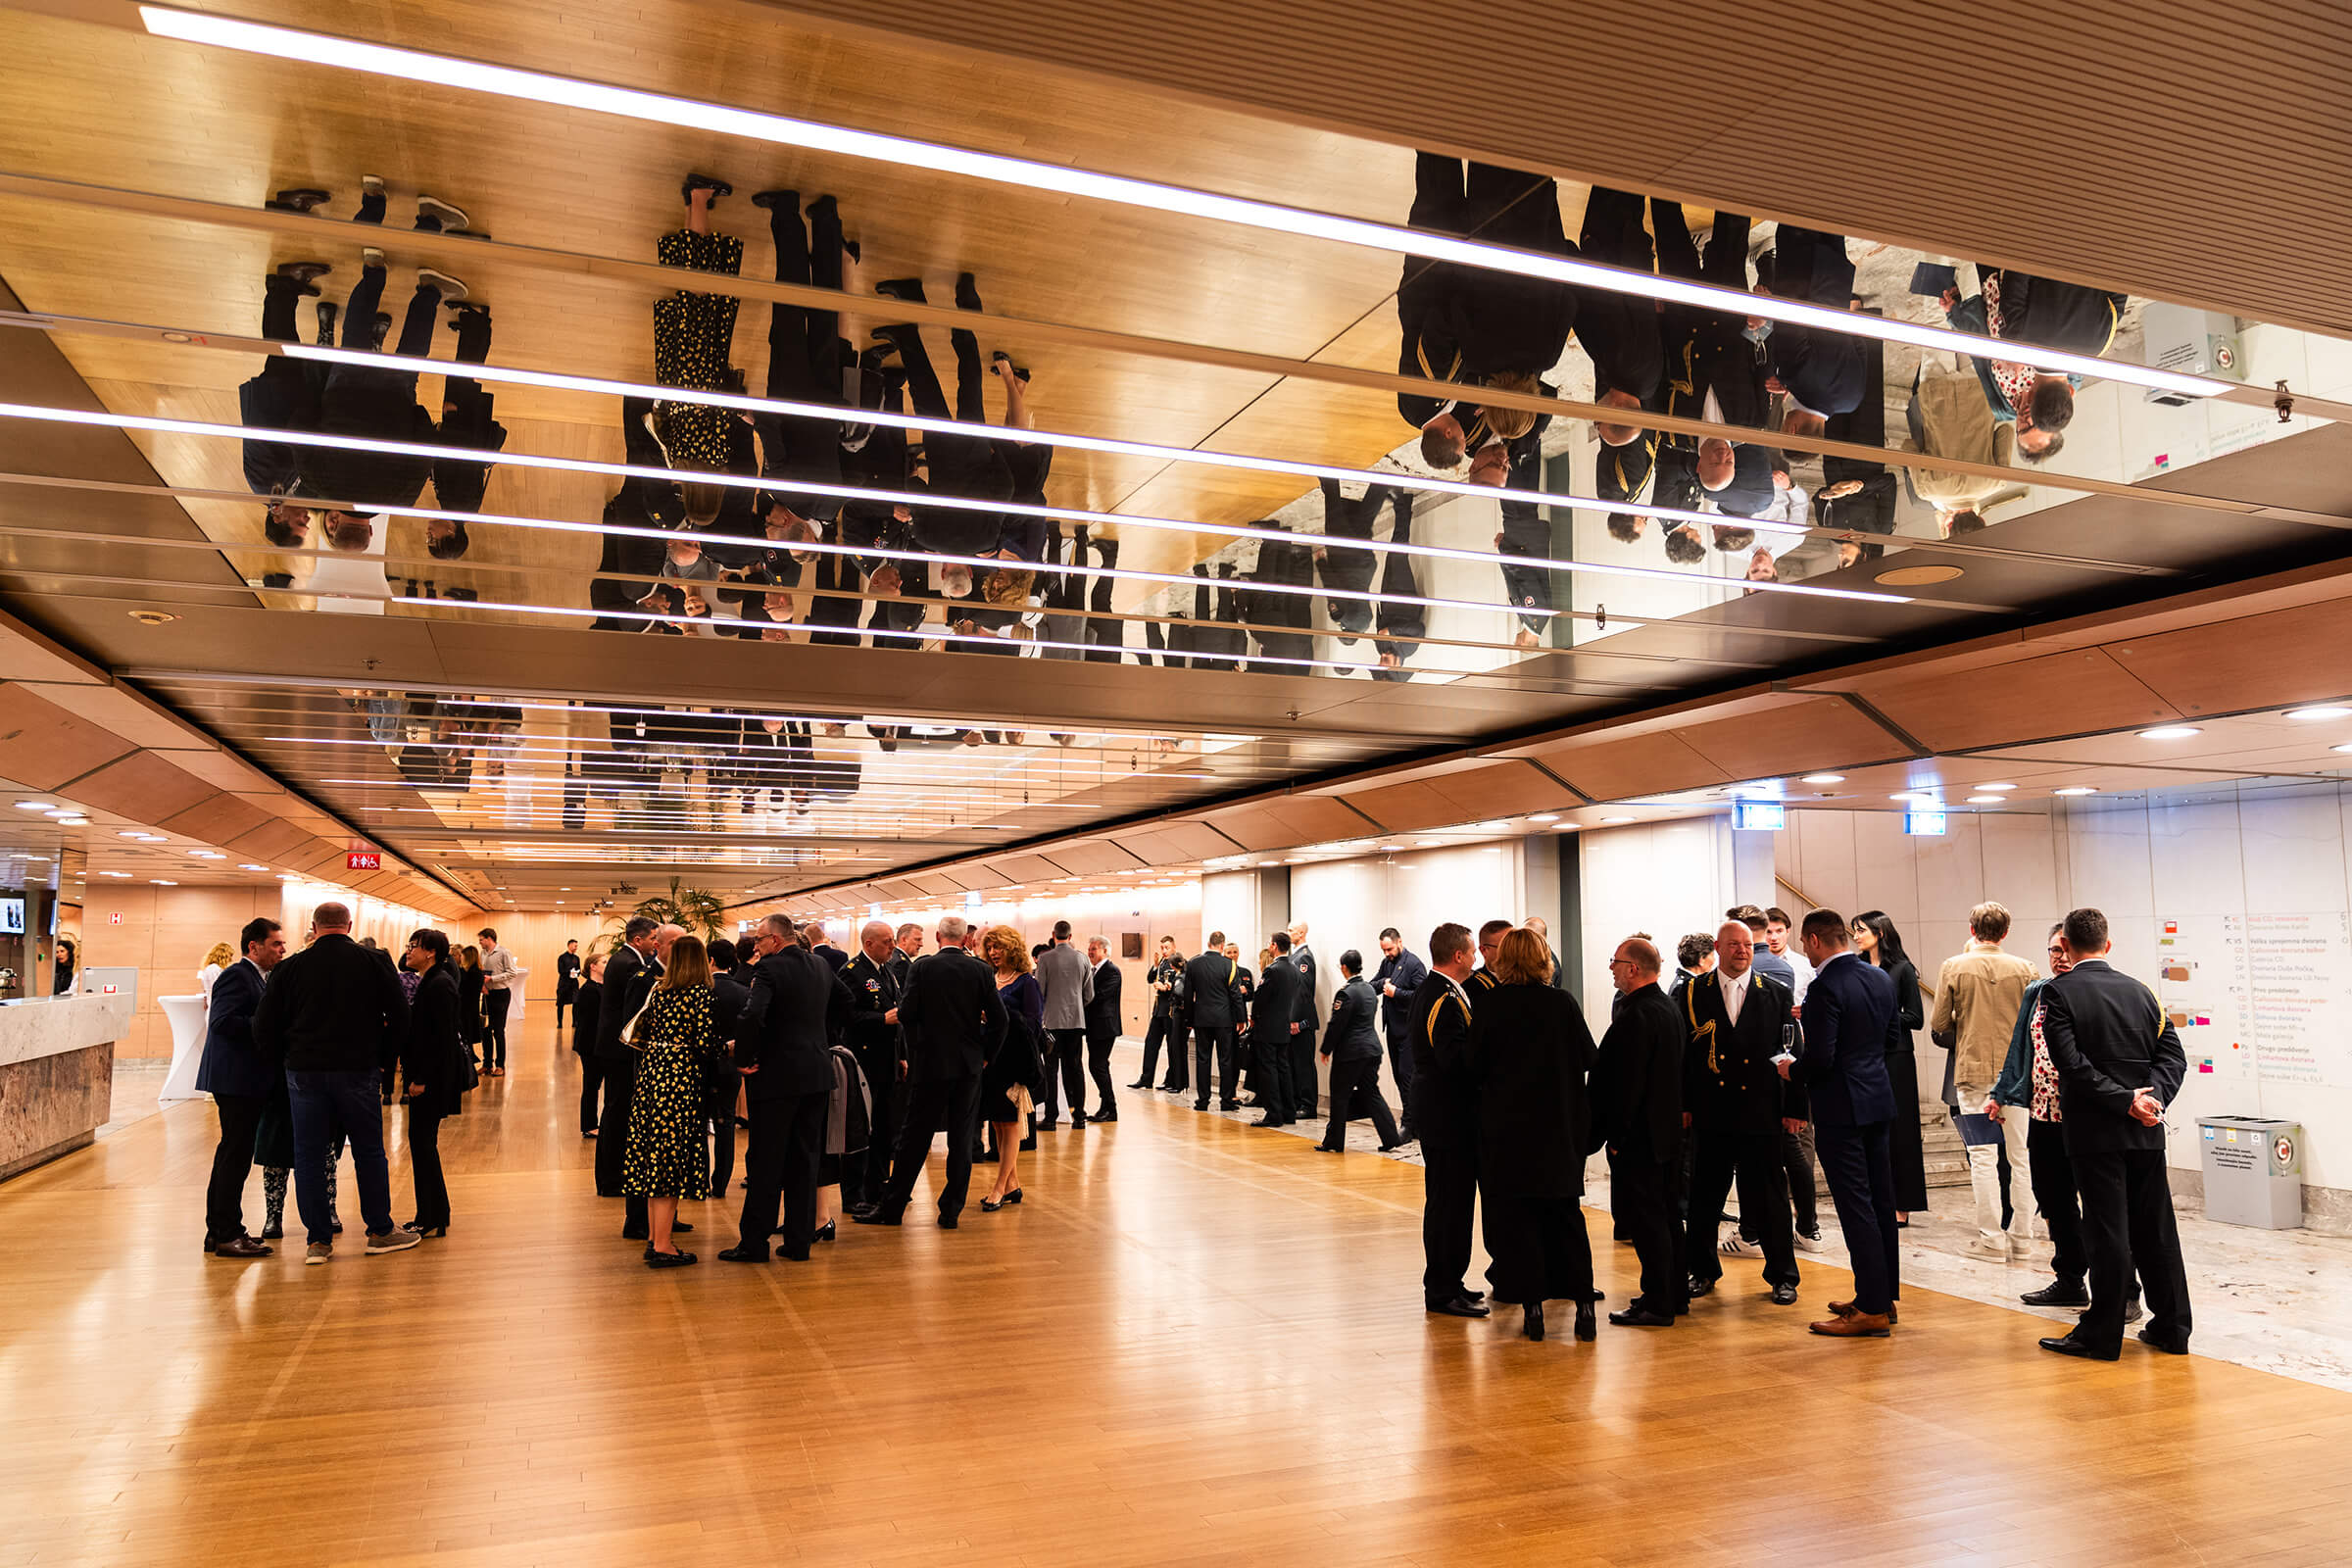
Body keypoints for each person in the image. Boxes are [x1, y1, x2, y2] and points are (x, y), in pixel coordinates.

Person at [2034, 908, 2191, 1361]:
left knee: (2106, 1231)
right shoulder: (2142, 992)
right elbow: (2173, 1057)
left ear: (2064, 943)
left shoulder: (2057, 994)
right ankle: (2172, 1326)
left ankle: (2100, 1335)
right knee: (2156, 1230)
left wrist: (2126, 1101)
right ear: (2108, 943)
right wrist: (2150, 1100)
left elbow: (2071, 1065)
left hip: (2094, 1132)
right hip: (2145, 1131)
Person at [250, 902, 419, 1265]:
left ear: (314, 926)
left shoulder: (290, 966)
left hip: (305, 1072)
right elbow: (402, 1015)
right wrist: (384, 1060)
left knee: (308, 1155)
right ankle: (379, 1231)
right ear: (350, 924)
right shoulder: (374, 962)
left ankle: (318, 1242)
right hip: (358, 1070)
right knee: (368, 1151)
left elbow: (263, 1026)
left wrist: (287, 1060)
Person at [1468, 929, 1597, 1343]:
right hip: (1559, 1130)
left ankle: (1533, 1310)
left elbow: (1472, 1066)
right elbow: (1588, 1057)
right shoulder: (1562, 1004)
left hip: (1509, 1134)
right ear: (1544, 960)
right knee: (1566, 1218)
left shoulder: (1491, 1006)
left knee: (1520, 1222)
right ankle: (1583, 1307)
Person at [1786, 910, 1900, 1337]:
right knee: (1880, 1203)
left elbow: (1820, 1059)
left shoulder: (1824, 987)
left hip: (1841, 1108)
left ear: (1814, 941)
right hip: (1877, 1099)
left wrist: (1790, 1071)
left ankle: (1870, 1308)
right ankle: (1882, 1297)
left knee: (1856, 1208)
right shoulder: (1879, 977)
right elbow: (1891, 1039)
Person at [1681, 921, 1805, 1308]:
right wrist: (1682, 1105)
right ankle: (1701, 1270)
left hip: (1761, 1112)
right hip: (1711, 1113)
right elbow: (1681, 1056)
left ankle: (1783, 1276)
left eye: (1747, 945)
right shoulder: (1690, 993)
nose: (1742, 950)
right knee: (1705, 1197)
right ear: (1717, 947)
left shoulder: (1776, 994)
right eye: (1733, 944)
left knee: (1769, 1197)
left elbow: (1793, 1052)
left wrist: (1794, 1109)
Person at [859, 915, 1007, 1228]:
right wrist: (984, 1056)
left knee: (914, 1137)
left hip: (930, 1066)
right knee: (961, 1138)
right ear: (965, 939)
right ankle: (951, 1210)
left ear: (939, 937)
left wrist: (916, 1049)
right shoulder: (980, 970)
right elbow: (1000, 1020)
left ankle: (892, 1208)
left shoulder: (923, 967)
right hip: (967, 1067)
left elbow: (908, 1014)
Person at [720, 915, 852, 1263]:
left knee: (766, 1160)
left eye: (759, 941)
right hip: (816, 1074)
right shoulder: (821, 965)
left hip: (776, 1076)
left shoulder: (769, 969)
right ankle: (798, 1241)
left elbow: (752, 1015)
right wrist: (820, 1036)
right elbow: (846, 1001)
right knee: (805, 1159)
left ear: (776, 940)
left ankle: (754, 1243)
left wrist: (744, 1058)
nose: (756, 947)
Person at [1933, 902, 2042, 1260]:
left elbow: (1939, 1025)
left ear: (1971, 928)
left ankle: (1991, 1240)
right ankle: (2023, 1239)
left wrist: (1965, 1019)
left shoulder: (1953, 966)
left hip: (1973, 1074)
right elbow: (2035, 1025)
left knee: (1982, 1156)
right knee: (2020, 1156)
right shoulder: (2026, 968)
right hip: (2018, 1077)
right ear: (2005, 932)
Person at [1593, 938, 1686, 1327]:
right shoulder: (1667, 1008)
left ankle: (1657, 1302)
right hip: (1665, 1134)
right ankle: (1673, 1293)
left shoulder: (1636, 1015)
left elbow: (1626, 1084)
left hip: (1640, 1137)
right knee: (1666, 1219)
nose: (1611, 968)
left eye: (1616, 962)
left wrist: (1616, 1137)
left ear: (1634, 968)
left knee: (1648, 1222)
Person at [1942, 269, 2128, 459]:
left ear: (2070, 392)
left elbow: (2121, 282)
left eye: (2022, 429)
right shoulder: (2017, 340)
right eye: (2031, 424)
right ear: (2030, 394)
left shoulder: (2100, 344)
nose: (2025, 420)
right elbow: (2017, 269)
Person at [623, 934, 718, 1268]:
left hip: (652, 1076)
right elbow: (705, 1043)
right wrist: (729, 1047)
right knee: (670, 1160)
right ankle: (663, 1245)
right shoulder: (700, 994)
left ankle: (655, 1237)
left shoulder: (659, 991)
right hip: (679, 1080)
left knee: (654, 1156)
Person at [195, 917, 287, 1257]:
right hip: (236, 1081)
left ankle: (220, 1230)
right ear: (255, 946)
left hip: (244, 1080)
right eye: (276, 944)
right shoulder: (237, 974)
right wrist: (266, 1025)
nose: (282, 949)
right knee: (234, 1156)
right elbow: (221, 1022)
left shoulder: (257, 978)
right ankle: (226, 1232)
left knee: (232, 1154)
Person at [1410, 923, 1485, 1318]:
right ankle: (1441, 1288)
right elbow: (1452, 1060)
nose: (1476, 958)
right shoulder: (1441, 996)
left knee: (1454, 1202)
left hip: (1447, 1112)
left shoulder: (1445, 991)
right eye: (1472, 952)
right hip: (1447, 1113)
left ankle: (1451, 1280)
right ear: (1458, 955)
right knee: (1448, 1204)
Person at [1852, 911, 1928, 1223]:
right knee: (1866, 1129)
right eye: (1854, 931)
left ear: (1879, 933)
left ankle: (1902, 1204)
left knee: (1900, 1131)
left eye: (1861, 930)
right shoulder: (1856, 966)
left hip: (1895, 1057)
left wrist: (1880, 1014)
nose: (1856, 936)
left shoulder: (1902, 969)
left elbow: (1916, 1018)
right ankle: (1872, 1199)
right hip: (1862, 1055)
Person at [596, 917, 664, 1239]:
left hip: (614, 1048)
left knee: (616, 1110)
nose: (656, 943)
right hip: (619, 1051)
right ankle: (611, 1180)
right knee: (618, 1111)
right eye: (653, 938)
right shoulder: (629, 965)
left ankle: (612, 1178)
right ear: (638, 940)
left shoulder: (626, 960)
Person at [398, 928, 466, 1239]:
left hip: (431, 1081)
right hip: (431, 1077)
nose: (408, 951)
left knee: (423, 1146)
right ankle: (436, 1213)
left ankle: (430, 1216)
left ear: (430, 953)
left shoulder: (438, 985)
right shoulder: (434, 980)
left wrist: (420, 1080)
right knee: (424, 1146)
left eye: (414, 946)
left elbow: (438, 1040)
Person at [979, 926, 1045, 1213]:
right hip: (990, 1059)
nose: (993, 953)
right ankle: (1013, 1184)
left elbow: (1032, 1024)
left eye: (999, 947)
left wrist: (997, 1016)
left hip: (1013, 1060)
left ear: (1012, 949)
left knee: (1010, 1124)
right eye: (990, 947)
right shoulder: (989, 979)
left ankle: (999, 1187)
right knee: (997, 1123)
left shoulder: (1026, 982)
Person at [841, 921, 904, 1214]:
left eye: (892, 941)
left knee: (883, 1129)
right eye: (887, 941)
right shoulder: (852, 973)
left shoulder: (886, 971)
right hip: (864, 1063)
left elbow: (897, 1013)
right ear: (869, 944)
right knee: (860, 1131)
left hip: (887, 1062)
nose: (892, 946)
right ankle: (854, 1194)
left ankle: (877, 1187)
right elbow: (846, 1017)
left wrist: (901, 1055)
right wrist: (881, 1021)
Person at [1316, 949, 1405, 1153]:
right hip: (1372, 1049)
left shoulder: (1346, 993)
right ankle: (1390, 1137)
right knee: (1372, 1093)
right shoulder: (1369, 990)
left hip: (1350, 1053)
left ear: (1345, 968)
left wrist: (1326, 1049)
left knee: (1339, 1096)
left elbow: (1337, 1024)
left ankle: (1334, 1141)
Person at [1036, 920, 1094, 1129]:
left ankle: (1051, 1117)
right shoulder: (1082, 958)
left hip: (1052, 1022)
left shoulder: (1045, 959)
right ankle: (1079, 1116)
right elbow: (1089, 994)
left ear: (1053, 935)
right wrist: (1076, 1006)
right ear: (1071, 936)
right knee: (1076, 1067)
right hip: (1076, 1022)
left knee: (1051, 1069)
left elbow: (1039, 992)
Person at [1372, 928, 1428, 1138]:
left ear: (1400, 942)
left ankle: (1410, 1123)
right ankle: (1413, 1123)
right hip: (1393, 1029)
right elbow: (1375, 984)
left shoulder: (1413, 964)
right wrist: (1384, 984)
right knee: (1398, 1076)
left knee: (1407, 1076)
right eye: (1384, 950)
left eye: (1390, 948)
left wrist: (1397, 993)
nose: (1387, 953)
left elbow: (1421, 996)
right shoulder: (1387, 963)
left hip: (1409, 1030)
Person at [1247, 931, 1305, 1128]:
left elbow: (1260, 998)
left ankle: (1273, 1113)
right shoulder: (1294, 970)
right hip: (1283, 1026)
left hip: (1267, 1028)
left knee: (1268, 1071)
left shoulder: (1272, 970)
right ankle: (1289, 1112)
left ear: (1274, 946)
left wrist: (1253, 1018)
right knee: (1283, 1069)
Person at [706, 938, 750, 1201]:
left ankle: (695, 1181)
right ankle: (720, 1183)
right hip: (731, 1067)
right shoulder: (743, 992)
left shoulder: (700, 991)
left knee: (698, 1124)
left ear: (710, 960)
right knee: (726, 1123)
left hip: (703, 1065)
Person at [1186, 931, 1241, 1112]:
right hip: (1224, 1019)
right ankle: (1226, 1100)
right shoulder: (1230, 965)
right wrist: (1240, 1018)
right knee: (1226, 1060)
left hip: (1201, 1019)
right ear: (1222, 945)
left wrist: (1189, 1018)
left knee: (1203, 1059)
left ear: (1209, 943)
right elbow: (1235, 995)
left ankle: (1203, 1100)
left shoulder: (1194, 963)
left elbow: (1188, 995)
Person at [1132, 936, 1186, 1091]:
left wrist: (1167, 986)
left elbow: (1182, 982)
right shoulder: (1161, 962)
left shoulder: (1180, 961)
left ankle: (1172, 1080)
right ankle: (1146, 1079)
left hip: (1171, 1010)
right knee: (1150, 1044)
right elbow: (1149, 979)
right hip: (1158, 1010)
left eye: (1167, 947)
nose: (1164, 951)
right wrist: (1155, 967)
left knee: (1172, 1047)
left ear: (1174, 947)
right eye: (1162, 947)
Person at [1082, 935, 1123, 1124]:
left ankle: (1111, 1108)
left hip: (1105, 1026)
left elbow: (1099, 996)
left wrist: (1078, 1001)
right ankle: (1105, 1106)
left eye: (1094, 949)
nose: (1090, 952)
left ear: (1105, 951)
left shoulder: (1112, 971)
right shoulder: (1092, 971)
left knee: (1097, 1065)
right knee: (1098, 1066)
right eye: (1089, 949)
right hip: (1093, 1026)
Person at [476, 928, 520, 1077]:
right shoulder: (482, 953)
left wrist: (493, 979)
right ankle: (487, 1064)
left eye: (482, 939)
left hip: (501, 994)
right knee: (485, 1030)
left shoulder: (504, 952)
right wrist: (482, 985)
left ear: (490, 938)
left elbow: (512, 972)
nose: (480, 942)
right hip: (487, 994)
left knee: (498, 1030)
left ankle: (500, 1065)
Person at [573, 953, 607, 1139]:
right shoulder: (588, 990)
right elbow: (588, 1022)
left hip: (599, 1044)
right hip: (590, 1045)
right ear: (592, 966)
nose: (607, 964)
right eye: (603, 962)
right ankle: (589, 1125)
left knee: (595, 1085)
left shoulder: (602, 987)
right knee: (591, 1086)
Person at [455, 944, 485, 1069]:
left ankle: (467, 1066)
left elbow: (463, 991)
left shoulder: (469, 973)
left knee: (465, 1036)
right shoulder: (477, 972)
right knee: (467, 1037)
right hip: (471, 1008)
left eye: (461, 955)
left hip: (466, 1009)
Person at [555, 940, 582, 1031]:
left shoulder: (577, 958)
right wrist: (569, 972)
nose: (576, 948)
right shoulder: (562, 957)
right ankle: (560, 1022)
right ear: (569, 945)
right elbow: (560, 970)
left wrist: (577, 973)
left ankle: (575, 1022)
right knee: (560, 1004)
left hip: (574, 984)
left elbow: (579, 970)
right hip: (564, 983)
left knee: (576, 1003)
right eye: (575, 946)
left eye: (577, 946)